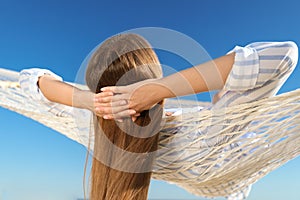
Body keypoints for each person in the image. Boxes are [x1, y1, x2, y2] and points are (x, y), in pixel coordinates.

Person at [19, 33, 298, 200]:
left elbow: (29, 80)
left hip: (210, 169)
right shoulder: (199, 136)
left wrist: (91, 102)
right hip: (226, 179)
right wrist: (157, 90)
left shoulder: (90, 127)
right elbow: (284, 55)